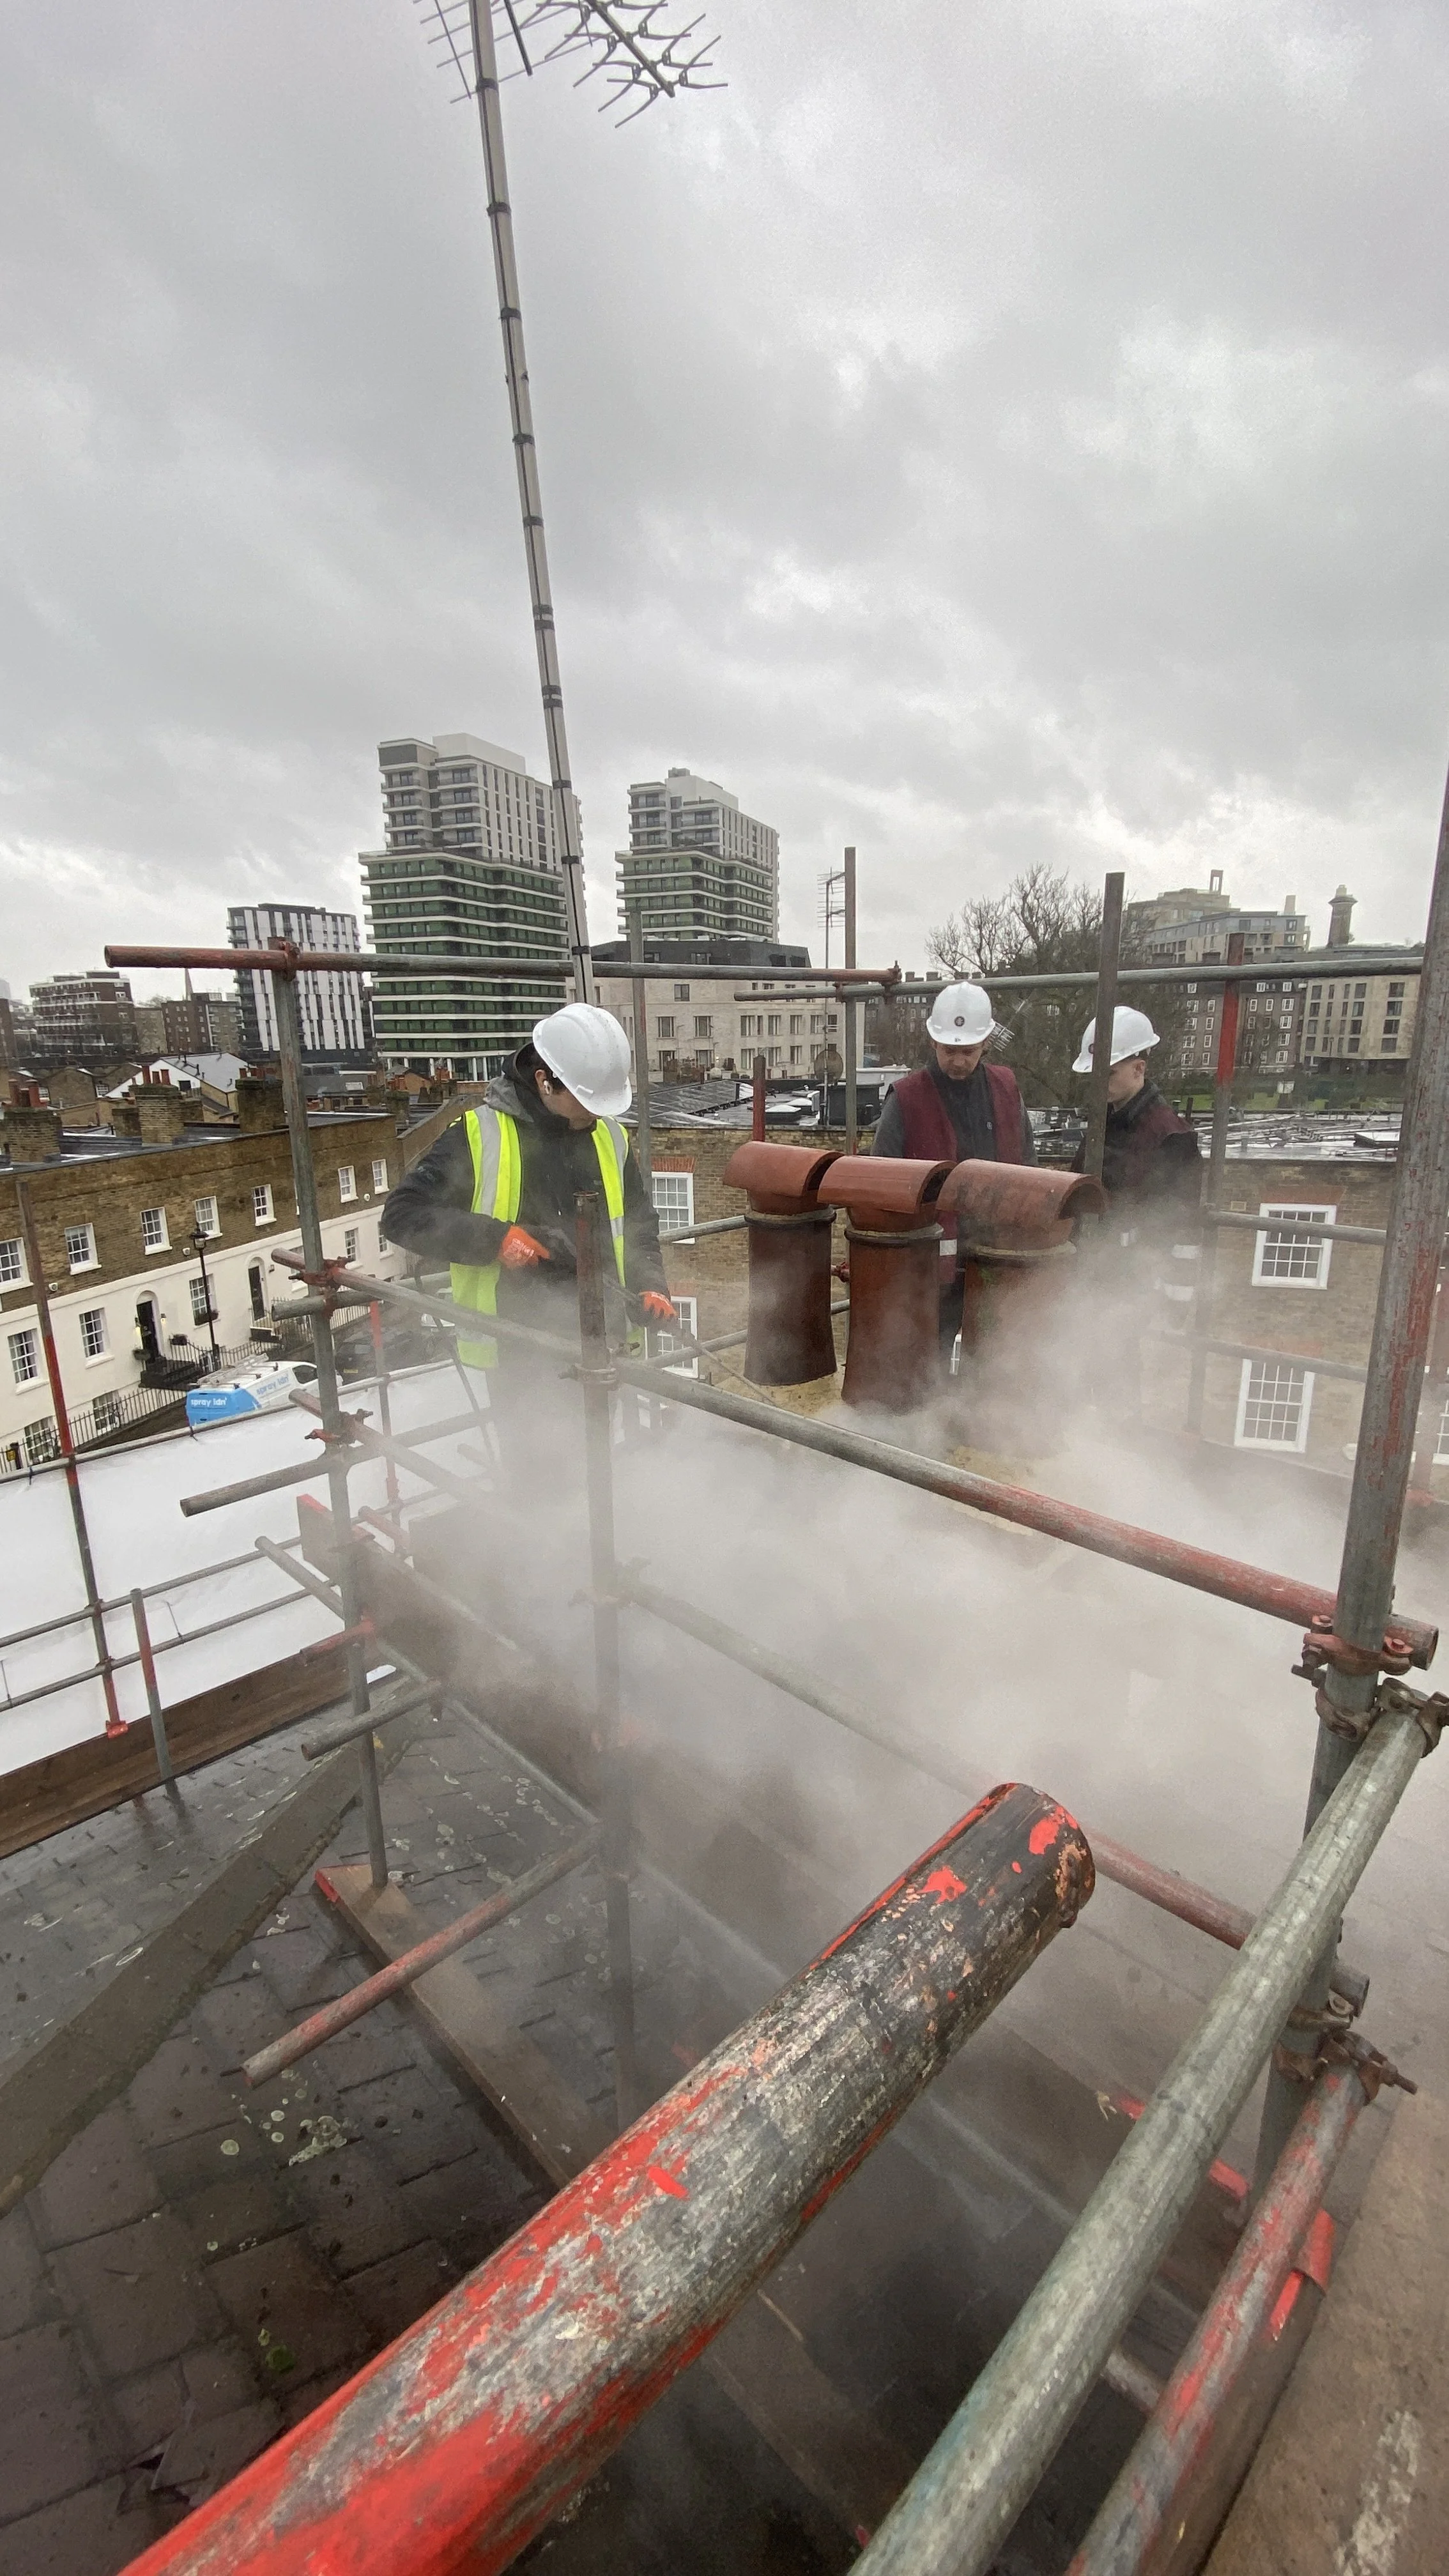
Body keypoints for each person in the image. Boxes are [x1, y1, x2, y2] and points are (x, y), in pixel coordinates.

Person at [381, 1003, 673, 1475]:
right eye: (585, 1101)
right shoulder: (479, 1134)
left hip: (603, 1340)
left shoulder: (610, 1137)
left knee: (597, 1470)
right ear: (544, 1080)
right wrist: (497, 1239)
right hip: (521, 1351)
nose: (596, 1117)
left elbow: (637, 1223)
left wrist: (650, 1281)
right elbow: (402, 1215)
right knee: (538, 1478)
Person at [871, 980, 1035, 1361]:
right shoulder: (907, 1099)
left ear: (986, 1044)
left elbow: (1028, 1165)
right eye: (950, 1051)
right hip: (931, 1270)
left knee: (995, 1362)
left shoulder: (1007, 1090)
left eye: (968, 1051)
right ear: (933, 1043)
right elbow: (882, 1182)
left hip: (996, 1257)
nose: (958, 1061)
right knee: (929, 1362)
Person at [1070, 1006, 1201, 1415]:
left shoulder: (1169, 1137)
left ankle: (1117, 1444)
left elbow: (1182, 1229)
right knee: (1079, 1369)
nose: (1100, 1084)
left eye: (1107, 1073)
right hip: (1092, 1272)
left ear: (1138, 1069)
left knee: (1116, 1376)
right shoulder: (1105, 1123)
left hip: (1129, 1281)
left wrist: (1176, 1300)